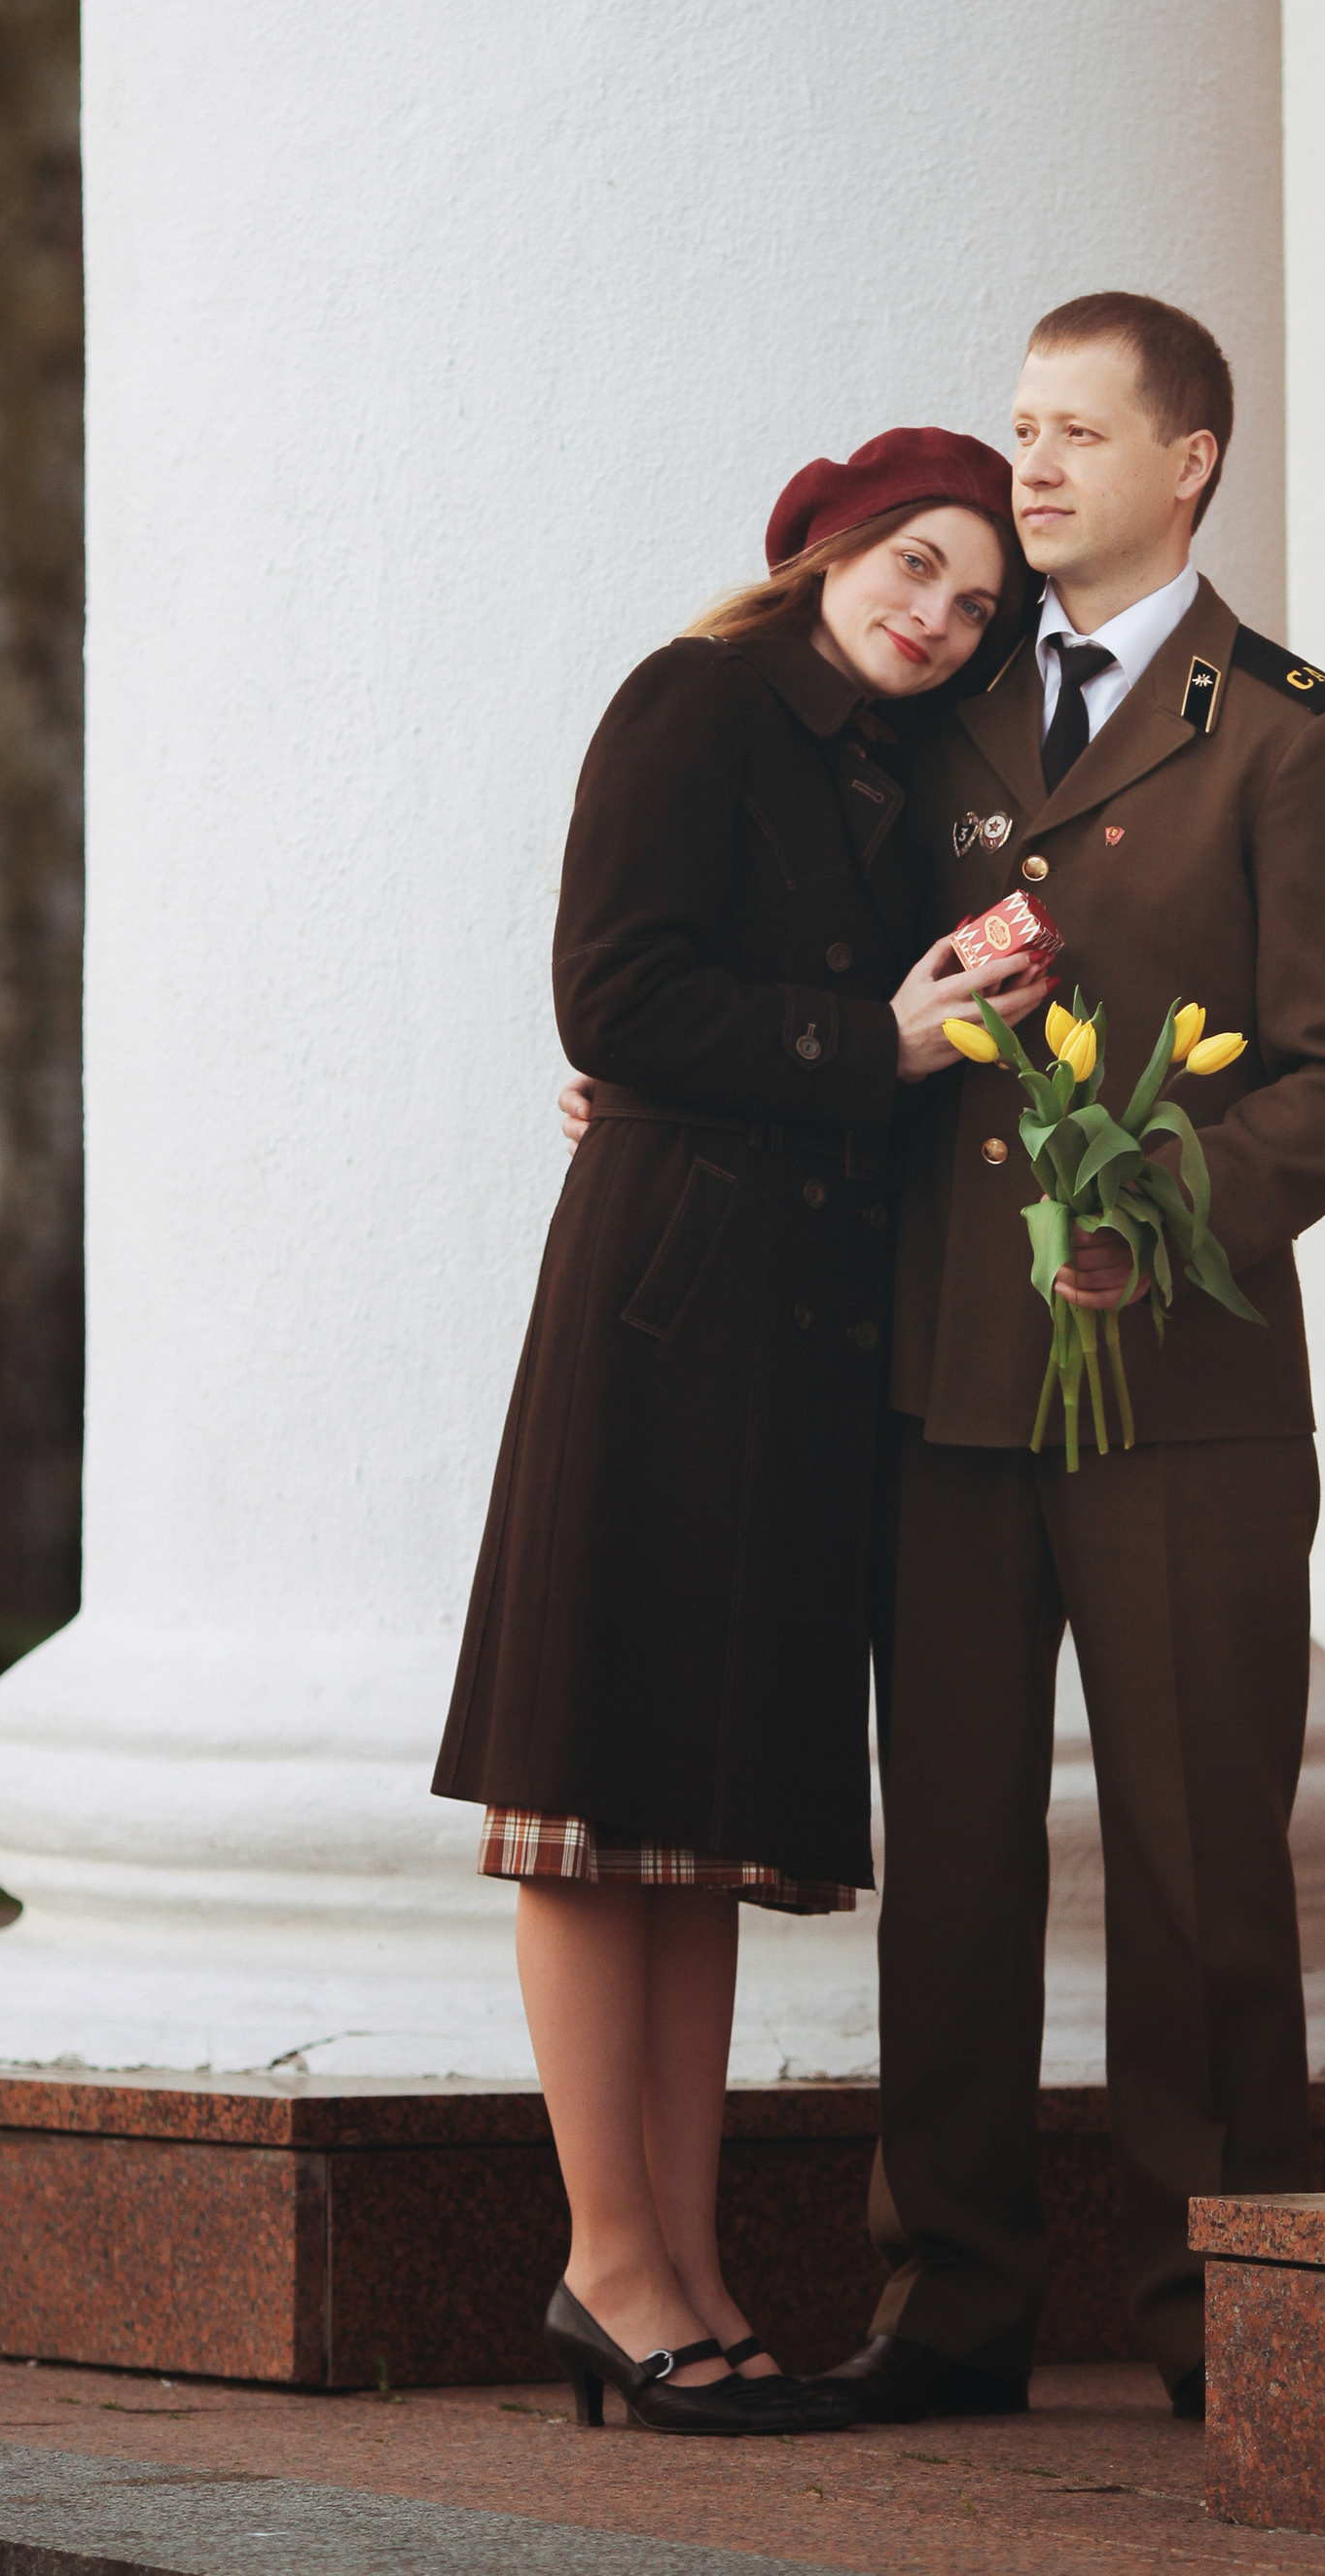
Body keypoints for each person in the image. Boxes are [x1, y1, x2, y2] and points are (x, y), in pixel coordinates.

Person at [817, 290, 1325, 2429]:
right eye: (1014, 429)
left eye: (1076, 433)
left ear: (1192, 463)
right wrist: (677, 1072)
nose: (1030, 468)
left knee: (1194, 1865)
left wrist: (1144, 1220)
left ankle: (1216, 2306)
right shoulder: (933, 702)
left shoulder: (1292, 731)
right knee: (951, 1863)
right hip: (944, 1387)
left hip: (1183, 1400)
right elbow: (830, 972)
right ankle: (952, 2298)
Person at [434, 428, 1049, 2437]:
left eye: (971, 603)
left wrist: (929, 1001)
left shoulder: (889, 777)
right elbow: (608, 996)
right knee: (593, 1783)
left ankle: (680, 2263)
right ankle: (606, 2266)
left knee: (695, 1817)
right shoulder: (695, 701)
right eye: (915, 565)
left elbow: (751, 1019)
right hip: (664, 1308)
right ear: (827, 546)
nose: (934, 615)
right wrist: (860, 1038)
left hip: (793, 1339)